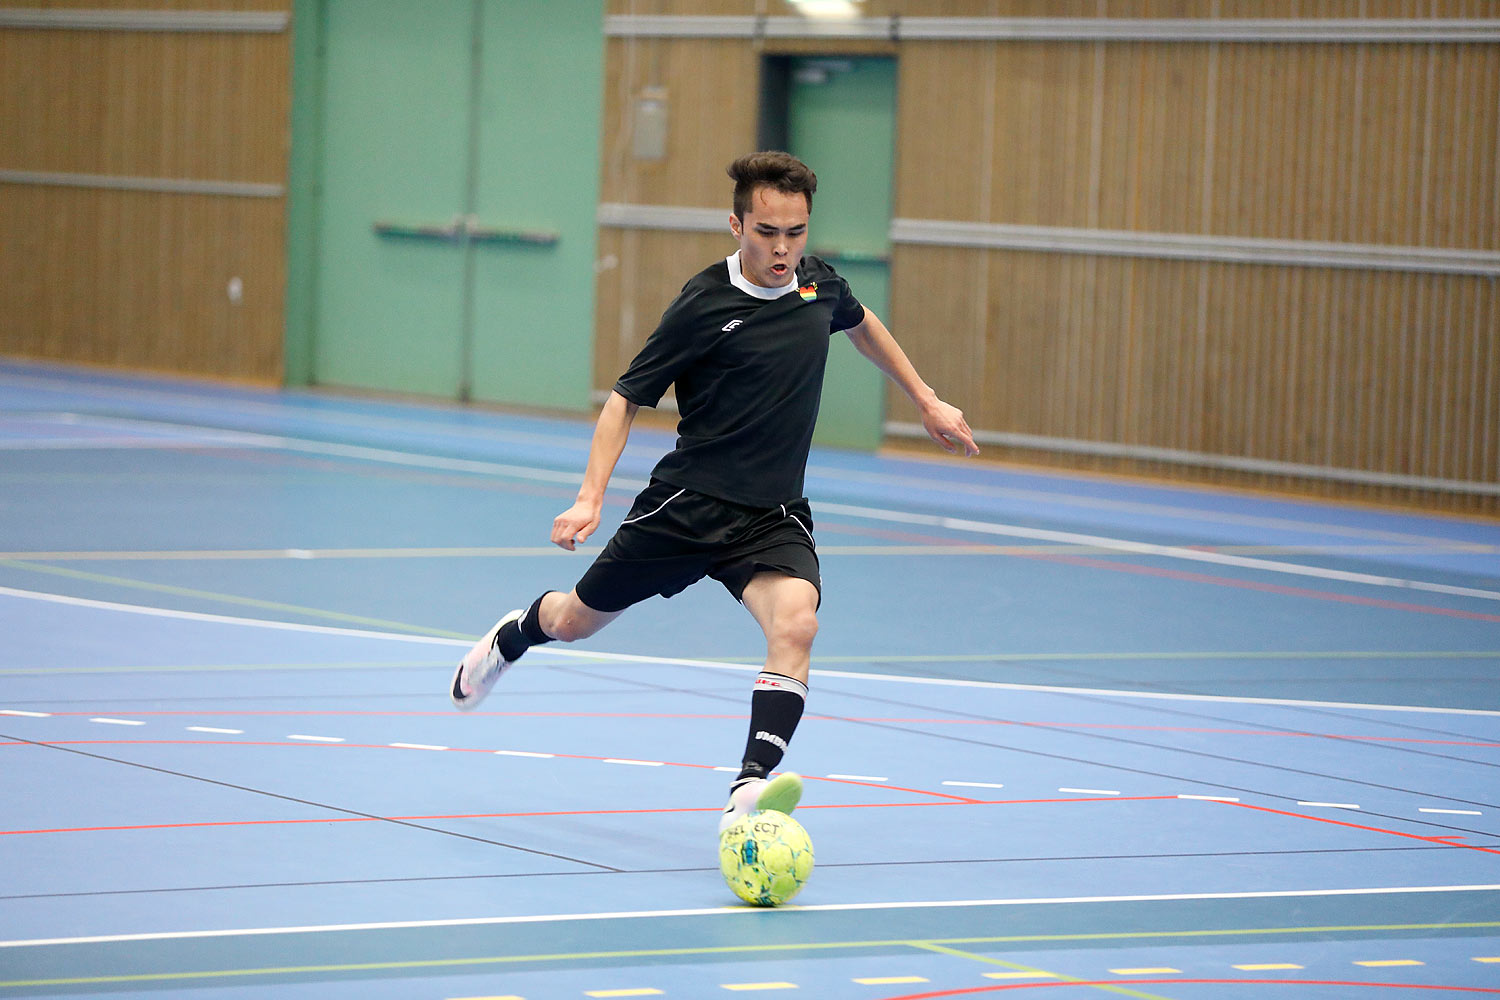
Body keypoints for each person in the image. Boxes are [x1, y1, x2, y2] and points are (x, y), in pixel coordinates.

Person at [451, 151, 978, 836]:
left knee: (797, 623)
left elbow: (862, 324)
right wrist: (590, 497)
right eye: (766, 231)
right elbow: (624, 399)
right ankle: (515, 633)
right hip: (689, 506)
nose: (783, 248)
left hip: (772, 514)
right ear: (735, 225)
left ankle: (748, 790)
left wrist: (926, 399)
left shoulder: (818, 285)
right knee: (576, 620)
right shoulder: (703, 306)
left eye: (796, 231)